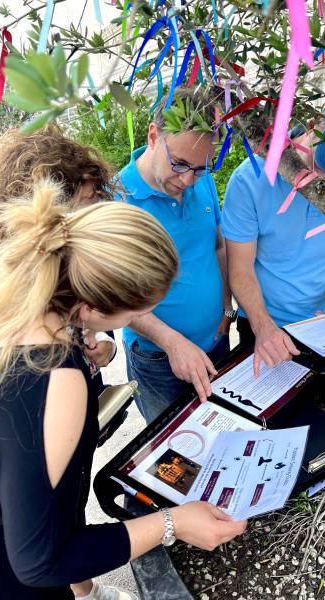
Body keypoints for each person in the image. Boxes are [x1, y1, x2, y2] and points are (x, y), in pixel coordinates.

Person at [0, 180, 246, 600]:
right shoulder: (56, 378)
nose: (145, 317)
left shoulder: (8, 287)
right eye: (141, 310)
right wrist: (172, 523)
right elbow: (39, 561)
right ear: (92, 305)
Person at [222, 94, 325, 375]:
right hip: (266, 324)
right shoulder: (249, 180)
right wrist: (264, 326)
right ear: (314, 124)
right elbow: (240, 269)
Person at [117, 86, 235, 424]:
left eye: (200, 168)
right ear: (154, 135)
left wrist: (227, 309)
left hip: (216, 340)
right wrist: (172, 343)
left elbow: (218, 246)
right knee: (176, 457)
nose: (187, 180)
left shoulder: (201, 181)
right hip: (158, 361)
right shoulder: (116, 200)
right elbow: (113, 297)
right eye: (179, 164)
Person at [0, 124, 118, 369]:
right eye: (87, 200)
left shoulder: (77, 257)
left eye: (97, 199)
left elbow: (97, 317)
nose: (96, 211)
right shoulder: (3, 285)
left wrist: (102, 339)